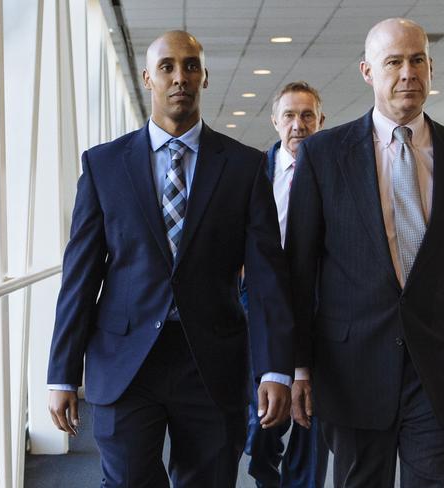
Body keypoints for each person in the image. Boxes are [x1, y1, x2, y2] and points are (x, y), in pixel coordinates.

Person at [46, 31, 294, 488]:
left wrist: (276, 366)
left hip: (212, 361)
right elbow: (80, 276)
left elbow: (266, 278)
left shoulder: (243, 167)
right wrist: (61, 373)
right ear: (148, 78)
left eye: (191, 66)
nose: (180, 77)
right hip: (125, 361)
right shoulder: (104, 166)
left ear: (204, 76)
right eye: (167, 67)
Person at [285, 18, 444, 487]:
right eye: (393, 62)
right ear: (367, 71)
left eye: (417, 60)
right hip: (352, 368)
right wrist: (297, 364)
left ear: (431, 67)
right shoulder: (323, 156)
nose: (407, 73)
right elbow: (299, 269)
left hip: (441, 369)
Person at [244, 82, 329, 488]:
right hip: (260, 304)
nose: (299, 124)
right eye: (290, 116)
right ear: (275, 121)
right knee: (263, 418)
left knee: (313, 417)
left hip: (320, 305)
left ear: (321, 121)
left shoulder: (336, 172)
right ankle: (265, 473)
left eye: (307, 115)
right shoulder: (251, 172)